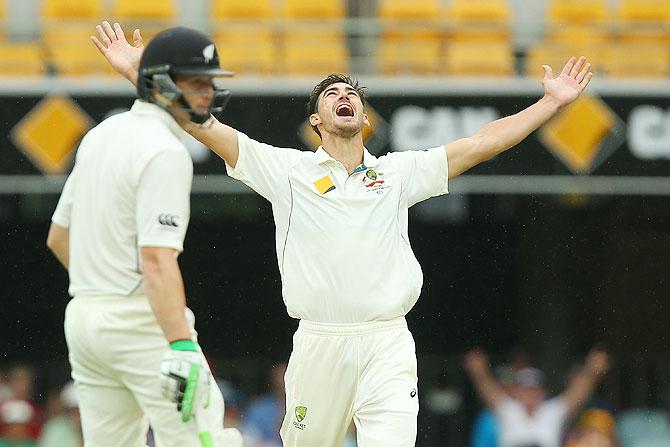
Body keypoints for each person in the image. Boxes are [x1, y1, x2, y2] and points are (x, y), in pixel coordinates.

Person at [92, 20, 593, 447]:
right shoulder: (285, 170)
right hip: (319, 343)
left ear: (364, 117)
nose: (344, 97)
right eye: (332, 95)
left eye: (351, 93)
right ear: (317, 121)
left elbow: (481, 143)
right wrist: (143, 74)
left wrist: (550, 104)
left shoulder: (398, 174)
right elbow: (203, 125)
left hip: (387, 341)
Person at [47, 25, 241, 447]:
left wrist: (103, 287)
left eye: (210, 81)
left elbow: (59, 236)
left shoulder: (100, 135)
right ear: (162, 84)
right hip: (141, 324)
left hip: (84, 320)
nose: (207, 92)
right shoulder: (165, 151)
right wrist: (180, 347)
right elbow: (156, 259)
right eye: (195, 82)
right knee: (205, 440)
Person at [463, 348, 610, 447]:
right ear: (518, 392)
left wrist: (593, 371)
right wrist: (479, 372)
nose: (529, 394)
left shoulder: (552, 410)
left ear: (541, 392)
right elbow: (489, 391)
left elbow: (577, 394)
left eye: (533, 389)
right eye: (525, 389)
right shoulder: (509, 409)